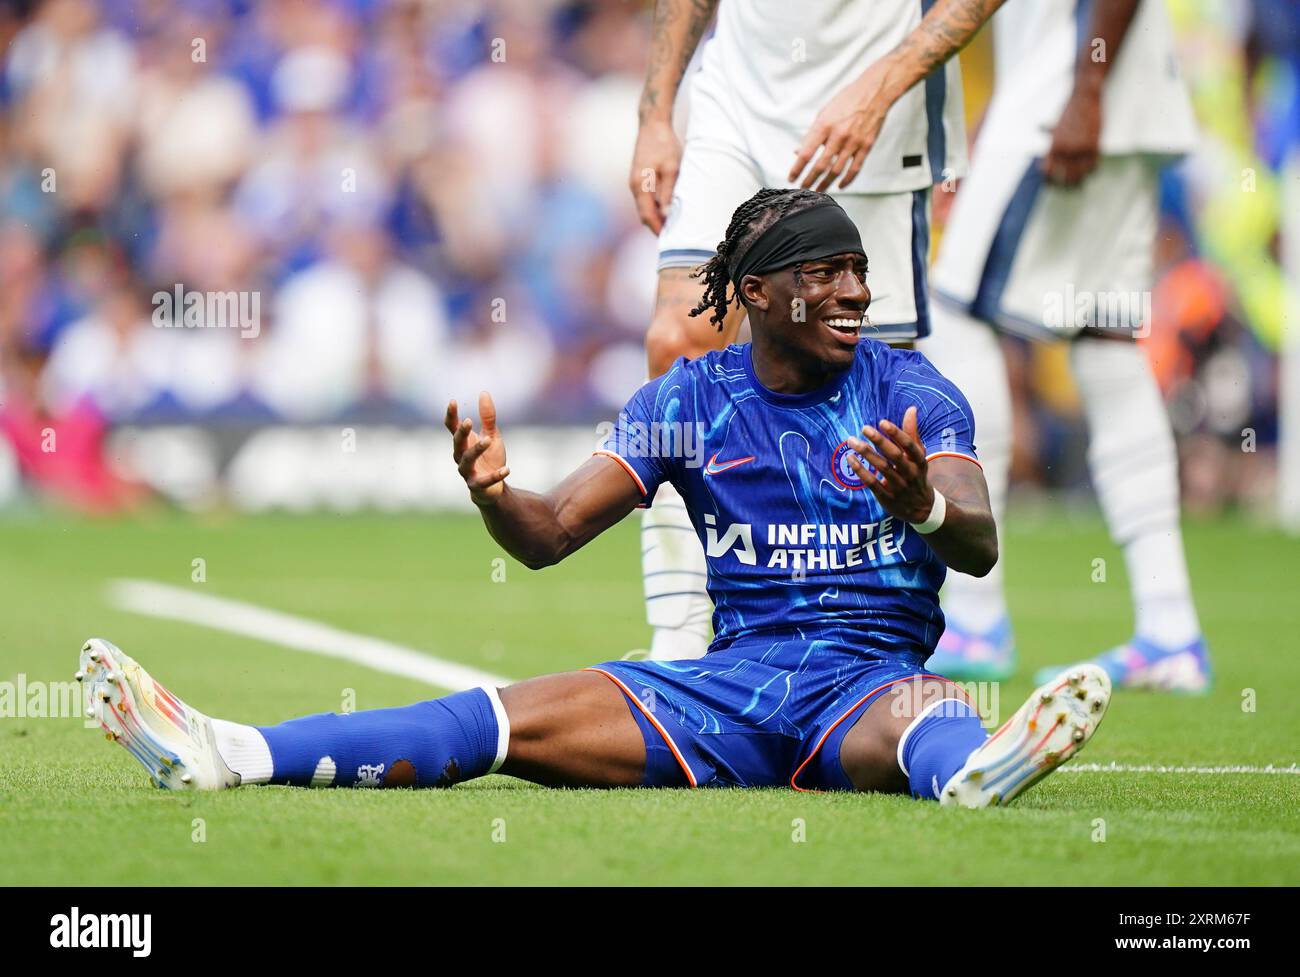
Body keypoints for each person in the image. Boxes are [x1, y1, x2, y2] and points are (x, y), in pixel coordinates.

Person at [78, 190, 1110, 806]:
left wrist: (922, 505)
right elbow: (550, 534)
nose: (853, 292)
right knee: (500, 718)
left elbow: (975, 539)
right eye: (826, 273)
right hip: (729, 687)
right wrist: (493, 495)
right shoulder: (686, 400)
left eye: (858, 272)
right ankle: (228, 751)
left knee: (929, 715)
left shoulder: (910, 387)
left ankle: (979, 767)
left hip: (865, 680)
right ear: (755, 293)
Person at [629, 0, 1010, 661]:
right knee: (678, 339)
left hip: (876, 108)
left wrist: (885, 82)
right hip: (737, 95)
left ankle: (866, 635)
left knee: (869, 389)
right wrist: (656, 113)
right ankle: (682, 641)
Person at [919, 0, 1210, 691]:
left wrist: (1084, 91)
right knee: (1106, 340)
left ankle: (977, 614)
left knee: (955, 313)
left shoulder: (1081, 86)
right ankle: (1169, 624)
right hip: (1115, 97)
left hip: (1073, 96)